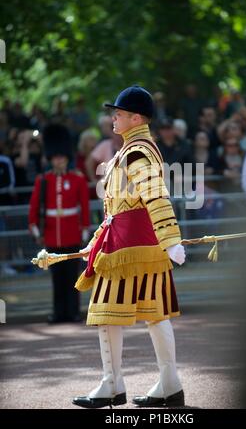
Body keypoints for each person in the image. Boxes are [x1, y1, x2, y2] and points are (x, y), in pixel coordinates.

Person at [73, 85, 186, 409]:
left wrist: (171, 238)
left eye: (118, 113)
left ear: (135, 118)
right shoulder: (134, 148)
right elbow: (116, 211)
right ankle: (169, 385)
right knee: (156, 314)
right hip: (138, 246)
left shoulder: (136, 151)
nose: (113, 118)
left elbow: (155, 197)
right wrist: (94, 243)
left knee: (106, 315)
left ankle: (113, 384)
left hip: (128, 249)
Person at [29, 124, 90, 324]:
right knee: (57, 278)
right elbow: (35, 206)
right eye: (55, 157)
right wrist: (35, 226)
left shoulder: (77, 179)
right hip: (51, 234)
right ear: (51, 158)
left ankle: (73, 312)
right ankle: (59, 312)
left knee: (73, 276)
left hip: (72, 233)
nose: (59, 160)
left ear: (66, 157)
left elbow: (84, 206)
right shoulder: (43, 180)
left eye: (61, 157)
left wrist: (84, 229)